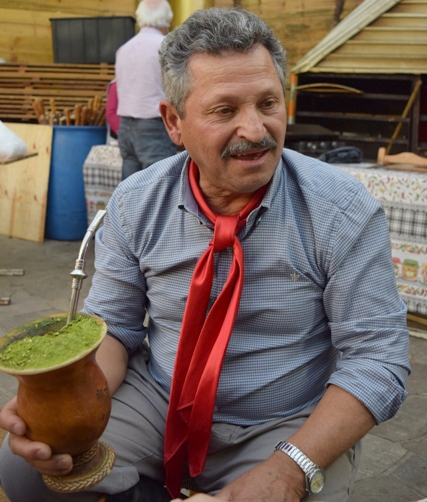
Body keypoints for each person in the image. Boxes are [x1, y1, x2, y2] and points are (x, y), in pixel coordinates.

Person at [0, 7, 410, 502]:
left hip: (281, 421)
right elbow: (115, 325)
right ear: (173, 121)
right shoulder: (137, 201)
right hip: (161, 399)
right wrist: (69, 403)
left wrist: (288, 469)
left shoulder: (342, 211)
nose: (256, 130)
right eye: (225, 111)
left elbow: (377, 359)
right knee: (30, 467)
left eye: (268, 103)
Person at [115, 0, 177, 180]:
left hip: (125, 126)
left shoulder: (124, 49)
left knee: (130, 188)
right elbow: (176, 88)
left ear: (140, 17)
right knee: (160, 186)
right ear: (167, 19)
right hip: (153, 126)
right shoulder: (166, 47)